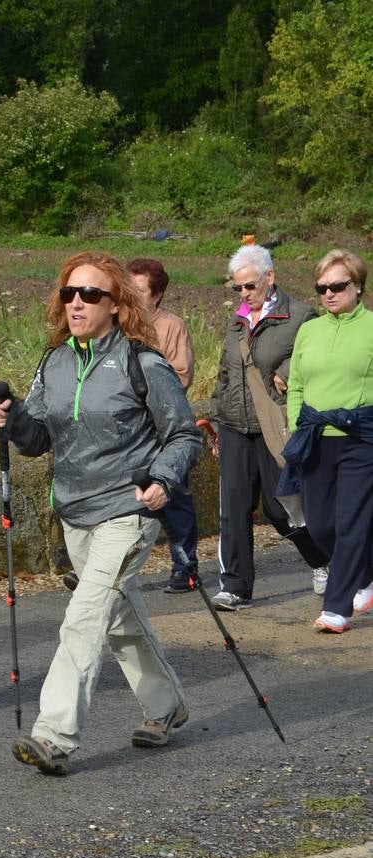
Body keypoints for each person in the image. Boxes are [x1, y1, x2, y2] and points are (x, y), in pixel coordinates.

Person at [0, 251, 200, 776]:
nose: (77, 302)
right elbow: (37, 440)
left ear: (116, 305)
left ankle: (54, 734)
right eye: (69, 293)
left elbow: (184, 435)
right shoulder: (54, 362)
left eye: (91, 295)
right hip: (74, 511)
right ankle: (168, 705)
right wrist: (8, 421)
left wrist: (163, 479)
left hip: (127, 511)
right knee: (120, 620)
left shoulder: (142, 362)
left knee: (83, 619)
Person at [208, 244, 329, 612]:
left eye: (249, 286)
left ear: (270, 277)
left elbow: (318, 354)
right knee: (234, 507)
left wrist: (288, 371)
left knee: (281, 509)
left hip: (274, 424)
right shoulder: (236, 322)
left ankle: (323, 558)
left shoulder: (301, 316)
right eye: (237, 288)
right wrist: (214, 420)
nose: (243, 294)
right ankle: (235, 586)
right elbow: (225, 374)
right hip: (233, 425)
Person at [283, 249, 373, 634]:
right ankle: (365, 574)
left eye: (338, 286)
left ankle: (337, 608)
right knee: (319, 526)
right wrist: (295, 425)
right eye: (322, 288)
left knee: (351, 521)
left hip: (361, 439)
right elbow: (297, 384)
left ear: (358, 287)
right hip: (316, 437)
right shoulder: (310, 329)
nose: (329, 294)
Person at [128, 258, 200, 593]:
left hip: (164, 427)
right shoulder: (118, 325)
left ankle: (185, 566)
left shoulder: (171, 326)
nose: (130, 295)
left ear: (156, 296)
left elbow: (182, 374)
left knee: (175, 500)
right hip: (129, 431)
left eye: (139, 290)